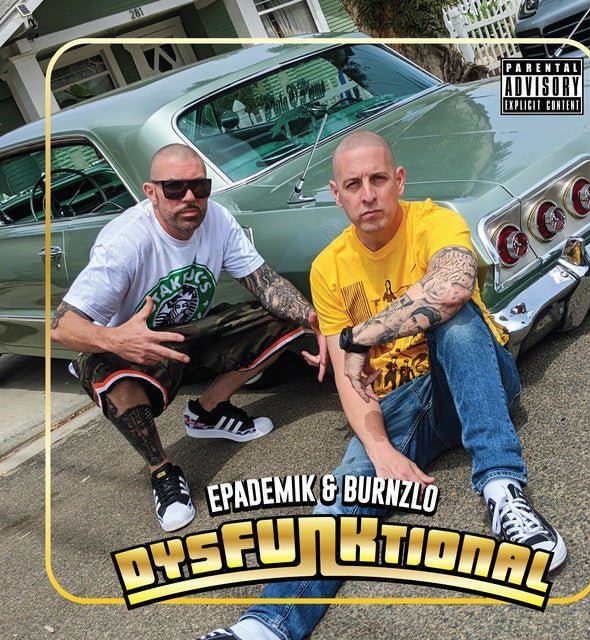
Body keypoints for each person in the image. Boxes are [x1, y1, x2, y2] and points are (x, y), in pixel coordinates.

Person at [196, 130, 567, 640]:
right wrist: (380, 450)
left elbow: (452, 286)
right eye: (353, 184)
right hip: (400, 406)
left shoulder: (434, 221)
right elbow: (348, 382)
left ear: (399, 181)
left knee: (456, 324)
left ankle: (503, 490)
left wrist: (358, 337)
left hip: (475, 379)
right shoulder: (329, 268)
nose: (368, 194)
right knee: (344, 491)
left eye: (378, 179)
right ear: (337, 194)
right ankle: (264, 626)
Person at [51, 143, 326, 533]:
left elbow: (265, 283)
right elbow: (62, 326)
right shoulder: (125, 242)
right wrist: (116, 340)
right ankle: (162, 471)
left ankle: (208, 412)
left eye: (200, 186)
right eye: (175, 188)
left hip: (191, 333)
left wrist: (316, 321)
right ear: (151, 192)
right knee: (100, 368)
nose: (190, 197)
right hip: (139, 349)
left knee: (284, 317)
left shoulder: (217, 220)